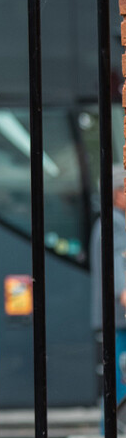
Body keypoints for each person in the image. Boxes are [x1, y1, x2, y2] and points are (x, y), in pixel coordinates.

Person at [91, 166, 126, 409]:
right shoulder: (115, 223)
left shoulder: (107, 221)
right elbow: (117, 260)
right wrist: (124, 292)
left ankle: (111, 436)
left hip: (112, 318)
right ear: (117, 193)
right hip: (119, 318)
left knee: (113, 381)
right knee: (120, 381)